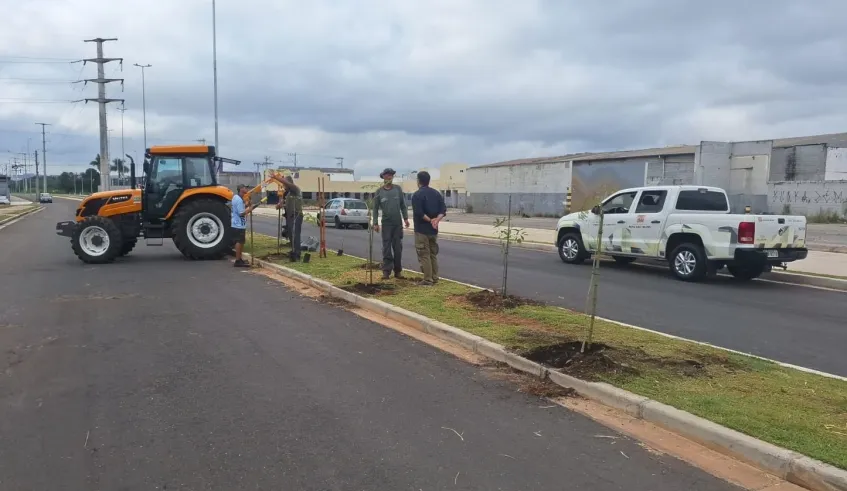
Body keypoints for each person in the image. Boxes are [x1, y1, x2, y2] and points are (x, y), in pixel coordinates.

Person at [372, 168, 410, 279]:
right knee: (386, 248)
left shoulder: (398, 189)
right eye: (387, 175)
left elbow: (403, 205)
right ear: (383, 177)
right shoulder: (379, 192)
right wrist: (375, 223)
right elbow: (375, 209)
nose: (389, 177)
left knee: (398, 248)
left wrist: (406, 218)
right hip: (386, 224)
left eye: (391, 175)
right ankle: (386, 271)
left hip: (397, 224)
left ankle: (397, 271)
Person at [411, 171, 446, 285]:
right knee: (432, 254)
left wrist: (430, 220)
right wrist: (436, 220)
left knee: (424, 254)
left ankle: (427, 279)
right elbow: (443, 210)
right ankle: (434, 277)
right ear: (428, 181)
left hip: (421, 230)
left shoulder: (417, 195)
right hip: (433, 230)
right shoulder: (437, 193)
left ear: (418, 181)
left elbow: (419, 213)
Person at [276, 175, 303, 261]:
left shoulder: (295, 189)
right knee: (291, 235)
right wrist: (281, 205)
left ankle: (297, 254)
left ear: (288, 183)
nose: (284, 186)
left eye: (284, 184)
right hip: (290, 216)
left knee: (295, 235)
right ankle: (293, 250)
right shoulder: (288, 194)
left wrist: (277, 178)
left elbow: (288, 184)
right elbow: (286, 203)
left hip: (296, 215)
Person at [231, 184, 258, 267]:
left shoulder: (236, 197)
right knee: (239, 242)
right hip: (238, 224)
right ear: (241, 189)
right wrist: (250, 209)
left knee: (241, 241)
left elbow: (240, 208)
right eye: (245, 188)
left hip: (237, 223)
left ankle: (239, 259)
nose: (247, 189)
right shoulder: (239, 200)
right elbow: (241, 213)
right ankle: (237, 260)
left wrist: (247, 205)